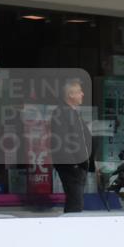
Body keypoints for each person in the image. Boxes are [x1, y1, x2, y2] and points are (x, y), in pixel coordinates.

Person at [50, 79, 94, 213]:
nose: (82, 94)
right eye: (79, 91)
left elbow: (83, 139)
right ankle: (71, 224)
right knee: (75, 203)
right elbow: (61, 140)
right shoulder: (61, 113)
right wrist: (73, 164)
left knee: (75, 201)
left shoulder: (73, 112)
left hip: (79, 165)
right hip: (71, 166)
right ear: (70, 94)